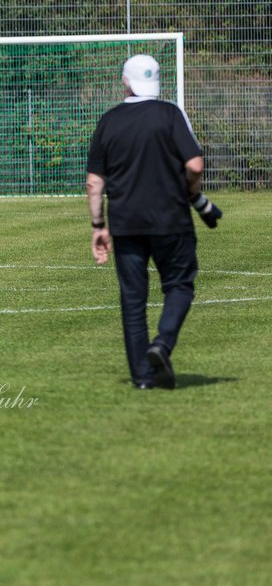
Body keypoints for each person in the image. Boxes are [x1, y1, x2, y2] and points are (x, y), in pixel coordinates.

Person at [87, 54, 222, 390]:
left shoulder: (109, 121)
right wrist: (195, 196)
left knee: (133, 300)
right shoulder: (170, 114)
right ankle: (161, 344)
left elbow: (94, 182)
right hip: (171, 219)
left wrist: (98, 226)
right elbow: (194, 165)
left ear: (126, 81)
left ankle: (143, 379)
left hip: (126, 223)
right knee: (179, 286)